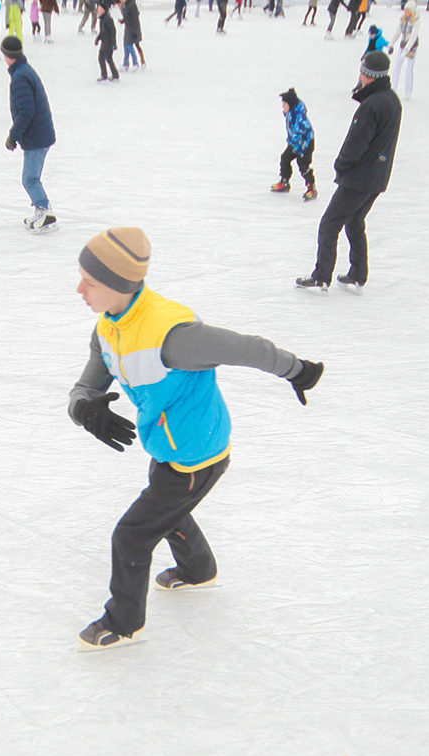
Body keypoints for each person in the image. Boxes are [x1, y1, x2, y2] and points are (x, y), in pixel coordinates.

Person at [69, 226, 324, 650]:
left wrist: (298, 370)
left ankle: (123, 622)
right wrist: (84, 409)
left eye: (90, 282)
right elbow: (85, 386)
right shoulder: (108, 329)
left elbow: (249, 348)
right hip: (168, 445)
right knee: (166, 508)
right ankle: (198, 570)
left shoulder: (174, 337)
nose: (80, 289)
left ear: (118, 284)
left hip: (197, 452)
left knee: (132, 534)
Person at [296, 50, 401, 292]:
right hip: (377, 176)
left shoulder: (371, 105)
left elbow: (357, 142)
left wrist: (341, 164)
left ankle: (321, 275)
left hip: (360, 178)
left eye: (362, 72)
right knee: (355, 220)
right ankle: (358, 272)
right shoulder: (391, 100)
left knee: (329, 223)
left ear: (368, 75)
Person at [1, 36, 58, 232]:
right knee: (31, 177)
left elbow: (26, 111)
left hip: (36, 136)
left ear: (7, 55)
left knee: (29, 178)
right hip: (38, 133)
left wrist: (13, 135)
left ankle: (45, 212)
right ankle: (41, 211)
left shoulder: (20, 76)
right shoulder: (23, 71)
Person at [271, 87, 317, 200]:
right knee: (285, 158)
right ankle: (284, 182)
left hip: (305, 144)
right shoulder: (291, 113)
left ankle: (311, 188)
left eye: (284, 105)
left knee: (303, 165)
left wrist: (292, 142)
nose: (283, 107)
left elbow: (300, 132)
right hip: (295, 143)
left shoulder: (299, 117)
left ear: (290, 104)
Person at [390, 1, 418, 100]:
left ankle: (408, 92)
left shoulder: (415, 20)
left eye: (408, 10)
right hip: (402, 45)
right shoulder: (403, 19)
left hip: (412, 47)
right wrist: (391, 43)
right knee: (397, 67)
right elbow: (398, 31)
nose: (405, 12)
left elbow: (413, 37)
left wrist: (407, 50)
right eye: (405, 10)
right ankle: (393, 88)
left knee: (409, 69)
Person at [93, 1, 116, 81]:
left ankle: (104, 75)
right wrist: (97, 39)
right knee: (108, 58)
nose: (97, 10)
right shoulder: (102, 19)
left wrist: (114, 43)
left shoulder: (108, 19)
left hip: (108, 42)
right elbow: (102, 32)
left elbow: (113, 31)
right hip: (105, 41)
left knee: (101, 57)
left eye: (99, 8)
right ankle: (115, 75)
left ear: (103, 10)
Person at [121, 0, 143, 70]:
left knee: (129, 45)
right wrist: (123, 20)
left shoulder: (131, 5)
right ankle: (125, 63)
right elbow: (127, 16)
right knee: (125, 45)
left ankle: (135, 63)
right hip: (128, 28)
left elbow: (135, 18)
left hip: (132, 28)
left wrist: (135, 31)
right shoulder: (125, 5)